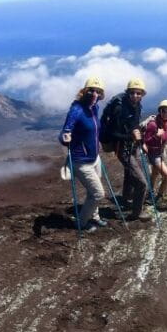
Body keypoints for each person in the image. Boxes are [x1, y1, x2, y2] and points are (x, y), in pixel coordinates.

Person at [59, 76, 108, 232]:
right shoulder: (76, 110)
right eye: (91, 90)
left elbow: (93, 130)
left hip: (94, 158)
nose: (94, 94)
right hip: (81, 160)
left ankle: (95, 217)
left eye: (98, 91)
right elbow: (64, 132)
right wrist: (65, 137)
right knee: (98, 193)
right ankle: (81, 223)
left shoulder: (95, 108)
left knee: (92, 192)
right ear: (84, 91)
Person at [108, 78, 151, 222]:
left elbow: (135, 126)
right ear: (128, 93)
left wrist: (141, 140)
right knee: (141, 182)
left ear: (142, 95)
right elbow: (112, 133)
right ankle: (136, 213)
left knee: (129, 173)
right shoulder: (119, 108)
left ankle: (126, 199)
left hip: (132, 147)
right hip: (122, 149)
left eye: (139, 93)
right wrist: (130, 136)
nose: (136, 96)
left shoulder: (138, 106)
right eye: (133, 93)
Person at [143, 99, 167, 198]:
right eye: (163, 110)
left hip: (160, 153)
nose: (165, 113)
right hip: (154, 155)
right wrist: (156, 136)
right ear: (160, 111)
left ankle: (149, 194)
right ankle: (159, 196)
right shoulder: (153, 124)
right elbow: (146, 141)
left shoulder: (166, 123)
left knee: (154, 174)